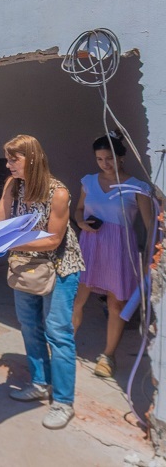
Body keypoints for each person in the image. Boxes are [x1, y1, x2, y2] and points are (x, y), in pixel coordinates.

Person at [0, 134, 85, 430]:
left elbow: (53, 239)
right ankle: (39, 382)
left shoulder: (57, 192)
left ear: (32, 159)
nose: (8, 164)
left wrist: (12, 241)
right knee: (30, 326)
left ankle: (63, 402)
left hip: (60, 268)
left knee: (58, 332)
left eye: (13, 159)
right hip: (27, 266)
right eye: (7, 158)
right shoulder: (14, 185)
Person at [72, 134, 153, 378]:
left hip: (119, 248)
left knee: (115, 302)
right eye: (99, 159)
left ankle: (108, 356)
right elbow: (78, 209)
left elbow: (150, 226)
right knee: (76, 297)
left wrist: (151, 258)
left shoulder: (137, 186)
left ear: (121, 158)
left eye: (109, 158)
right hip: (90, 245)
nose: (105, 164)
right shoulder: (88, 181)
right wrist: (81, 223)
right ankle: (64, 345)